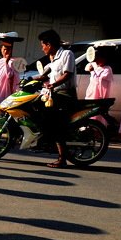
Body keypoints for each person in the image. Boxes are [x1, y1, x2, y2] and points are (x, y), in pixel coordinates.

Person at [32, 29, 76, 168]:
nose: (42, 48)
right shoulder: (53, 59)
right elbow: (44, 75)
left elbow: (67, 74)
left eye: (43, 45)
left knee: (54, 120)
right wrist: (28, 80)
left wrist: (53, 84)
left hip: (65, 94)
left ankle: (61, 158)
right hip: (54, 93)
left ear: (49, 44)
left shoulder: (67, 54)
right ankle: (43, 138)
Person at [84, 42, 115, 126]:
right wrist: (91, 67)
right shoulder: (94, 65)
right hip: (91, 94)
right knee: (89, 112)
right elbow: (86, 67)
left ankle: (99, 131)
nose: (97, 61)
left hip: (100, 95)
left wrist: (93, 70)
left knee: (99, 114)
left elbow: (100, 78)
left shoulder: (107, 69)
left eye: (99, 58)